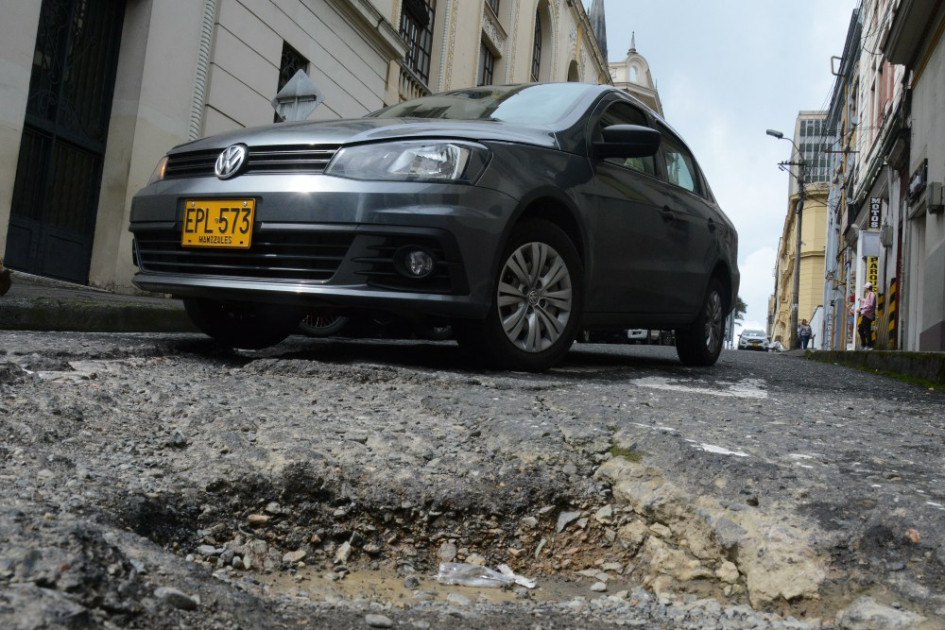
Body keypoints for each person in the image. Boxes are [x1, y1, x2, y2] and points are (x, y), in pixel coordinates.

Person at [857, 282, 877, 349]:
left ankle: (868, 345)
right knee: (862, 329)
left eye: (865, 288)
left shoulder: (872, 295)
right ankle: (865, 344)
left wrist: (861, 308)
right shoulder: (870, 295)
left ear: (868, 288)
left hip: (868, 316)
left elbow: (870, 305)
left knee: (865, 330)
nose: (864, 289)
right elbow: (867, 302)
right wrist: (861, 299)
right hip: (866, 315)